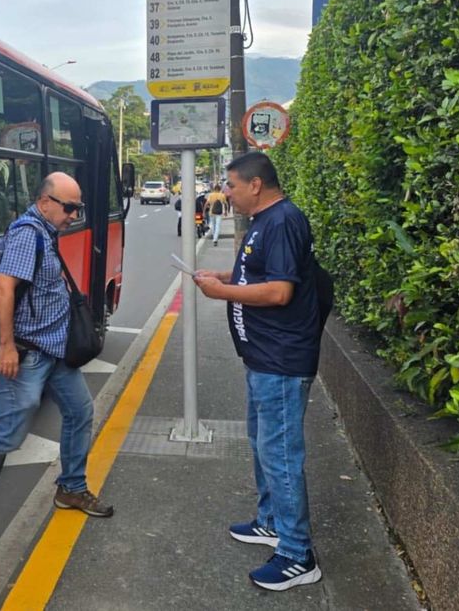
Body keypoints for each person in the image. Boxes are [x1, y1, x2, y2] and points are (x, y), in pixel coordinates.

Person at [0, 172, 113, 518]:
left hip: (54, 351)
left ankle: (72, 488)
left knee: (80, 412)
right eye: (69, 207)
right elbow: (3, 288)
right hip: (28, 354)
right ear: (44, 203)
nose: (74, 215)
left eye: (79, 208)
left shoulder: (47, 231)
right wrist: (7, 346)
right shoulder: (28, 234)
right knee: (8, 437)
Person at [192, 151, 323, 591]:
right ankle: (271, 522)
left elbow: (280, 291)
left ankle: (298, 554)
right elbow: (256, 273)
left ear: (255, 185)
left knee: (281, 455)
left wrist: (221, 293)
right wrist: (221, 275)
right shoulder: (265, 222)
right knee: (264, 447)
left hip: (282, 360)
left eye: (230, 185)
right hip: (264, 357)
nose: (225, 193)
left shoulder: (282, 221)